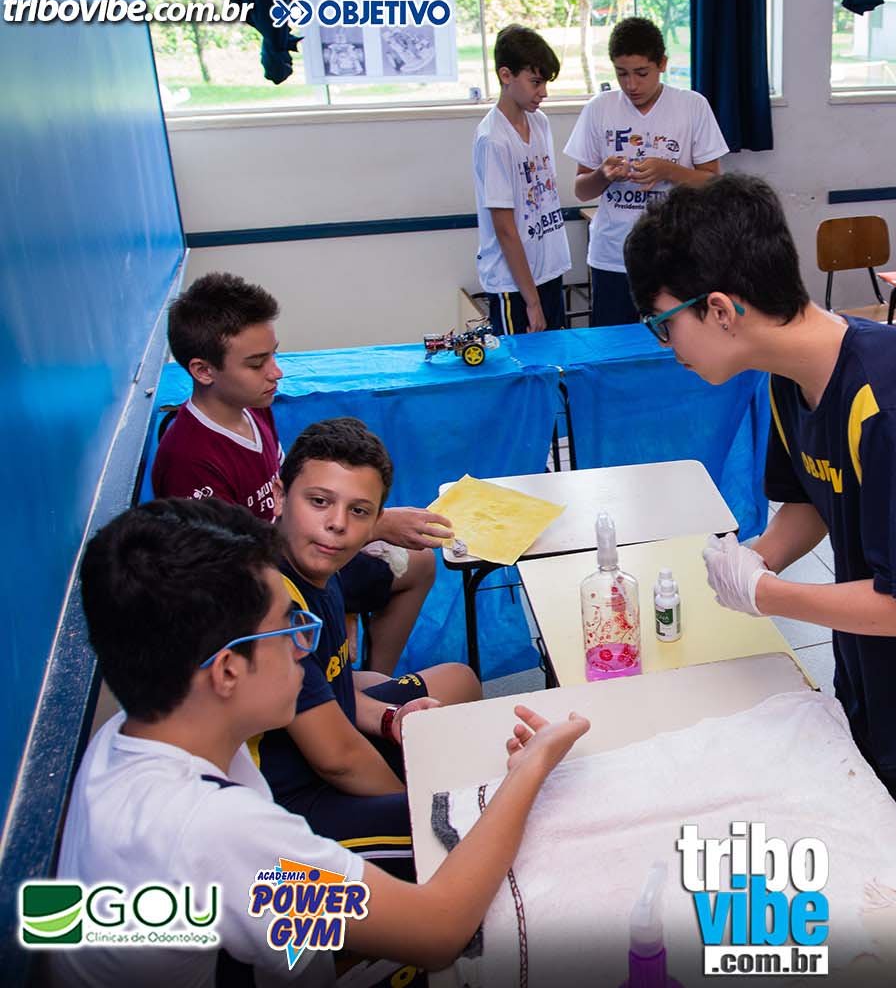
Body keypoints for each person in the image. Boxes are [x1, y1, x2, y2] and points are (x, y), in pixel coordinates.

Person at [622, 174, 896, 933]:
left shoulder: (890, 398)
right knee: (878, 878)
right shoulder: (788, 381)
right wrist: (757, 559)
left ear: (720, 310)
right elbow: (812, 497)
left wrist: (767, 595)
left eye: (663, 325)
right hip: (873, 668)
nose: (666, 348)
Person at [55, 497, 588, 985]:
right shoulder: (215, 828)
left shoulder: (131, 736)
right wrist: (530, 770)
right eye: (286, 628)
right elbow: (437, 929)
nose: (301, 648)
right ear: (227, 672)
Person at [152, 272, 449, 677]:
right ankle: (355, 687)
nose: (276, 372)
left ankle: (374, 678)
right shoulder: (188, 460)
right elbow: (233, 579)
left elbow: (288, 507)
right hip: (267, 592)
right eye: (257, 363)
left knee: (420, 562)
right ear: (204, 371)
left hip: (299, 558)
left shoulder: (252, 407)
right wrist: (371, 531)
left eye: (273, 355)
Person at [255, 418, 481, 882]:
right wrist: (412, 804)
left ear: (378, 520)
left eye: (359, 511)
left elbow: (331, 689)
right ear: (279, 495)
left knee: (459, 681)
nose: (337, 523)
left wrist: (389, 719)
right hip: (294, 804)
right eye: (319, 501)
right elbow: (338, 759)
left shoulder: (319, 566)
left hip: (334, 739)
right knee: (464, 830)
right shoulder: (275, 609)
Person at [566, 17, 727, 327]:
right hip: (612, 256)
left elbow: (713, 183)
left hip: (674, 255)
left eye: (641, 73)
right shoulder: (599, 108)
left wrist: (668, 170)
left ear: (662, 64)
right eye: (621, 74)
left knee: (676, 344)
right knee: (613, 347)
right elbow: (581, 190)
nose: (631, 85)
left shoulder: (692, 106)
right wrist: (602, 175)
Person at [474, 25, 571, 334]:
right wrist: (532, 301)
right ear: (506, 75)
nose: (543, 93)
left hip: (547, 271)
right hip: (514, 285)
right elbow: (505, 229)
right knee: (520, 361)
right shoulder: (494, 140)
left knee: (556, 357)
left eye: (545, 83)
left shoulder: (539, 122)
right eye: (535, 82)